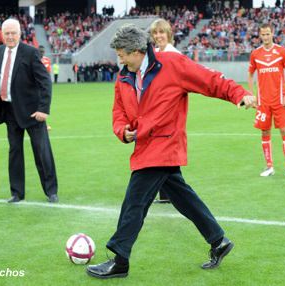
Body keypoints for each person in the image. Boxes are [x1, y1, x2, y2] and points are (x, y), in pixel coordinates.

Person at [86, 24, 256, 279]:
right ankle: (218, 240)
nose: (118, 59)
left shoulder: (172, 64)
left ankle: (120, 260)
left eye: (121, 54)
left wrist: (239, 94)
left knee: (135, 201)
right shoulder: (123, 76)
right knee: (182, 196)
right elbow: (118, 111)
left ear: (137, 51)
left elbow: (210, 80)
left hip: (165, 145)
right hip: (144, 145)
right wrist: (123, 131)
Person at [0, 18, 58, 203]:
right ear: (2, 34)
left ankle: (51, 191)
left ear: (20, 34)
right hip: (9, 111)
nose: (10, 36)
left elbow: (45, 82)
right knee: (14, 152)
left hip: (33, 112)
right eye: (7, 33)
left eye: (13, 33)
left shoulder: (31, 52)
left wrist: (43, 110)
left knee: (42, 152)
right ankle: (17, 193)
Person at [248, 23, 285, 179]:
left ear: (272, 33)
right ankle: (269, 166)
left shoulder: (281, 52)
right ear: (260, 35)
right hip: (263, 102)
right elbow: (250, 74)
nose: (265, 37)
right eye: (263, 34)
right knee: (265, 132)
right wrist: (252, 95)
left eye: (268, 34)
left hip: (279, 101)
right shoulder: (255, 54)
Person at [149, 18, 181, 204]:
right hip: (156, 109)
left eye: (162, 32)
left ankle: (166, 193)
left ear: (169, 34)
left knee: (163, 150)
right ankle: (167, 194)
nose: (158, 36)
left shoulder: (175, 55)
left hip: (170, 109)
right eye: (155, 33)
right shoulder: (154, 54)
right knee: (162, 152)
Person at [39, 45, 52, 131]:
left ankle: (43, 125)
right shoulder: (46, 60)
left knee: (41, 105)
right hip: (40, 85)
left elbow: (48, 72)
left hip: (41, 85)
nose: (42, 53)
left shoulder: (45, 60)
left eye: (42, 52)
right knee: (41, 105)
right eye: (41, 51)